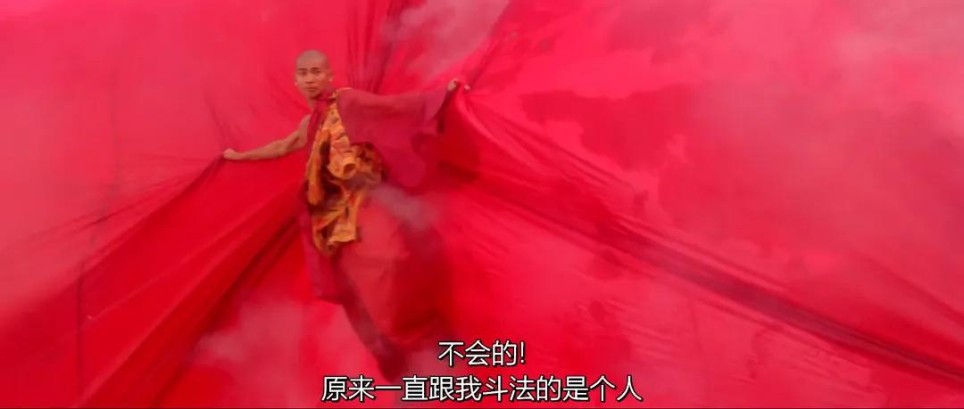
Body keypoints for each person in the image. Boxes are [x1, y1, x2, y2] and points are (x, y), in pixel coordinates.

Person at [223, 50, 460, 379]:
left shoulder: (348, 102)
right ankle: (408, 367)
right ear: (295, 81)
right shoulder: (310, 124)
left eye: (316, 72)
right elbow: (281, 146)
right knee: (362, 299)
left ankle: (432, 341)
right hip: (336, 218)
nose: (310, 79)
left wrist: (441, 96)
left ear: (329, 75)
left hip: (370, 199)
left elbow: (392, 108)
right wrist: (239, 156)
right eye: (304, 73)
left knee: (392, 259)